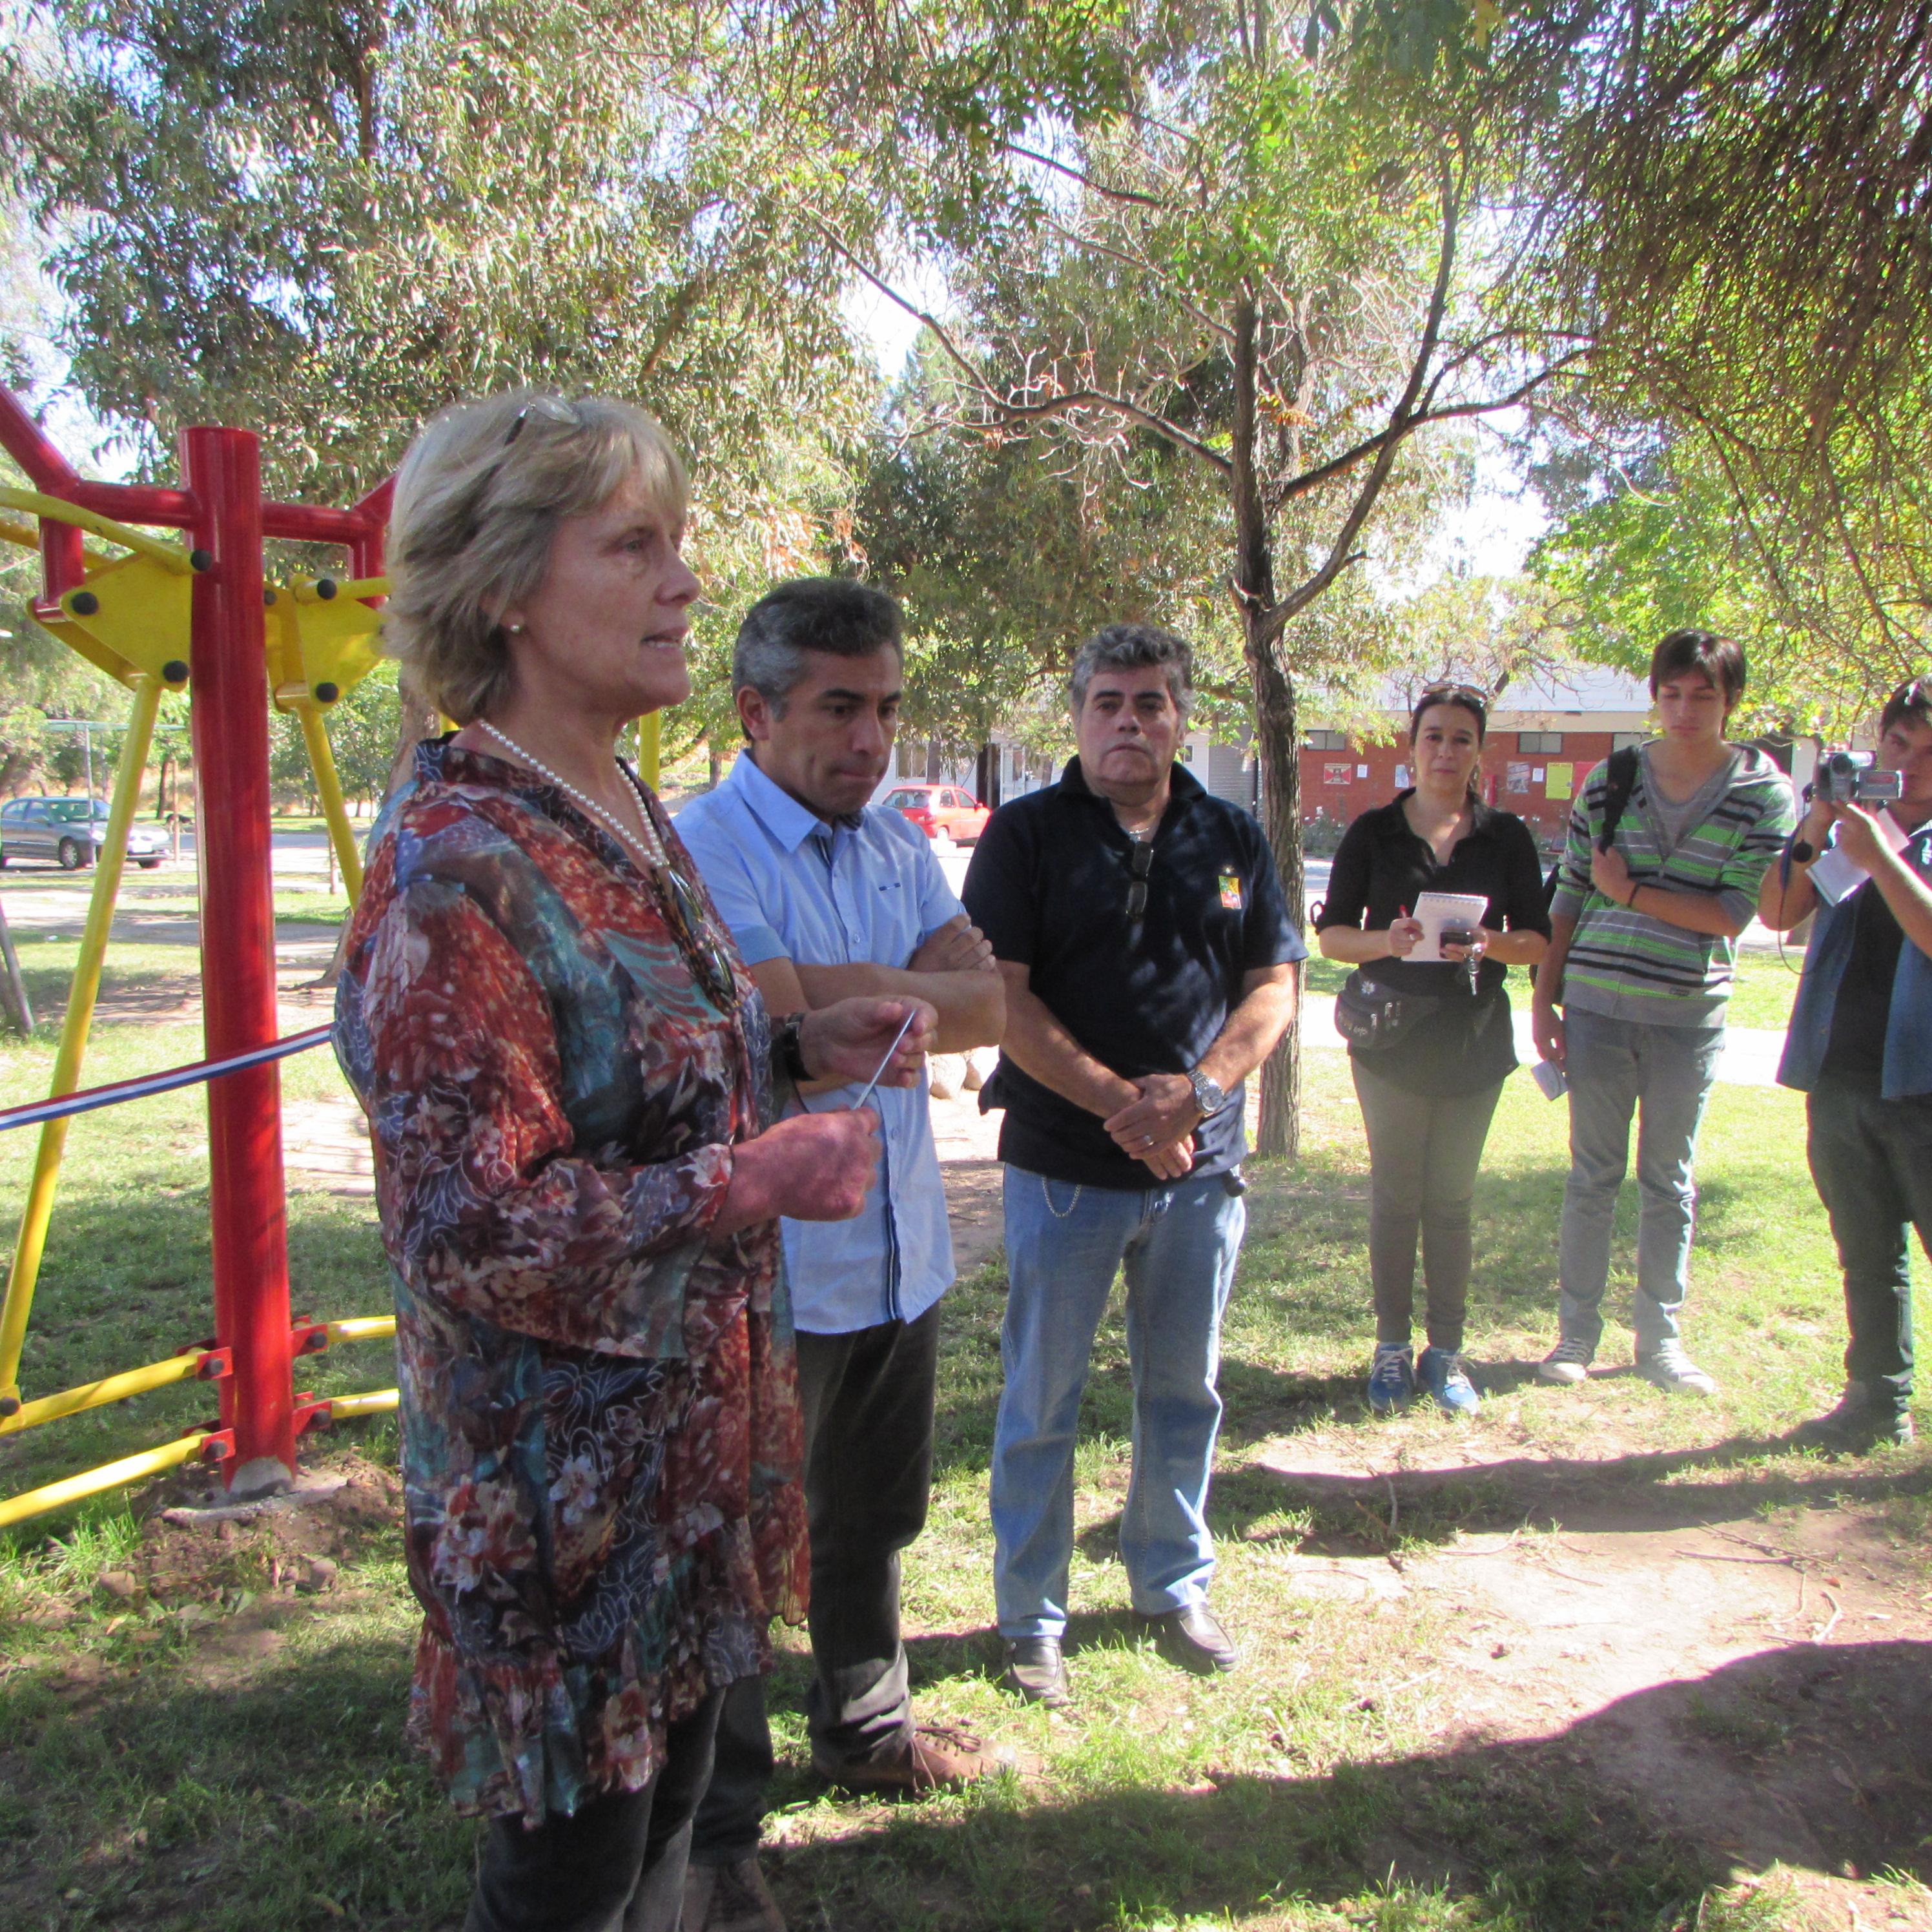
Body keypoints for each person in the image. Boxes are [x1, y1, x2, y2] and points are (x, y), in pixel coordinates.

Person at [333, 393, 934, 1932]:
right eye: (633, 545)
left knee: (661, 1853)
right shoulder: (459, 863)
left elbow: (638, 1072)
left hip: (679, 1486)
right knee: (571, 1894)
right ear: (506, 588)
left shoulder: (613, 803)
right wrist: (743, 1182)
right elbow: (468, 1226)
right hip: (562, 1526)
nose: (683, 581)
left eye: (677, 540)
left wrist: (795, 1051)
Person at [674, 579, 1005, 1932]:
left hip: (894, 1256)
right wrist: (850, 991)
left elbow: (984, 1001)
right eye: (837, 707)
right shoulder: (702, 842)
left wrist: (845, 985)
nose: (870, 738)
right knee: (746, 1554)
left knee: (871, 1516)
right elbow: (769, 1013)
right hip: (771, 1272)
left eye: (884, 707)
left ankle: (865, 1726)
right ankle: (716, 1834)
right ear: (754, 712)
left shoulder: (897, 841)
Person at [962, 623, 1302, 1708]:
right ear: (1075, 716)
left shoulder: (1233, 836)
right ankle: (1032, 1615)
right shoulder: (1024, 836)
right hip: (1065, 1170)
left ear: (1179, 718)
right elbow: (1001, 999)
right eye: (1107, 702)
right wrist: (1121, 1103)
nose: (1128, 722)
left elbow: (1274, 988)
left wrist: (1194, 1096)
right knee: (1040, 1399)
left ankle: (1170, 1581)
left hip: (1201, 1174)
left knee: (1182, 1389)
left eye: (1149, 703)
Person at [1531, 628, 1795, 1395]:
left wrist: (1634, 894)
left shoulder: (1760, 792)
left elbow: (1733, 913)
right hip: (1597, 1008)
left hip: (1688, 1015)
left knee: (1668, 1181)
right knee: (1592, 1177)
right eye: (1671, 693)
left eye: (1703, 696)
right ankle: (1574, 1337)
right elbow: (1570, 898)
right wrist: (1545, 1001)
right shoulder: (1610, 778)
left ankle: (1660, 1342)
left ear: (1730, 702)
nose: (1683, 710)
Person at [1315, 684, 1550, 1415]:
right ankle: (1390, 1347)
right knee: (1396, 1196)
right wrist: (1386, 940)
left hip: (1474, 1043)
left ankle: (1443, 1352)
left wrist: (1487, 942)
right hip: (1389, 1043)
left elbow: (1537, 940)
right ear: (1411, 746)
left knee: (1450, 1201)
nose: (1445, 751)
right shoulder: (1373, 833)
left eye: (1460, 739)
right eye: (1433, 737)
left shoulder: (1505, 838)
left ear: (1479, 751)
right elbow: (1330, 939)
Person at [1759, 675, 1932, 1450]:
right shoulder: (1847, 830)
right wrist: (1818, 821)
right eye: (1899, 745)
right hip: (1840, 1074)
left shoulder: (1889, 844)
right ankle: (1875, 1401)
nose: (1912, 766)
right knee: (1865, 1251)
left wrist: (1881, 858)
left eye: (1931, 754)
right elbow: (1776, 910)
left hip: (1922, 1082)